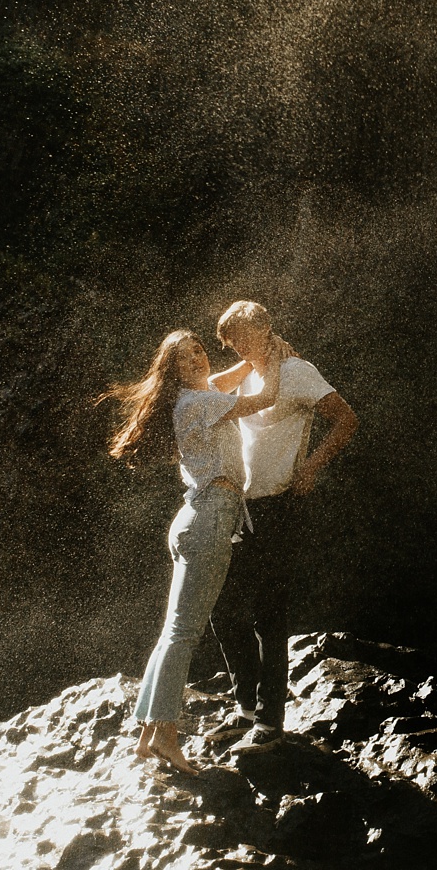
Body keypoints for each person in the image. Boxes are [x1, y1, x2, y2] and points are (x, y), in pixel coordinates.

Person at [99, 327, 286, 774]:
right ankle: (165, 735)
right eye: (186, 358)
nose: (199, 359)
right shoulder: (200, 403)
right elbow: (264, 399)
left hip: (194, 516)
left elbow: (225, 378)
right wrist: (273, 359)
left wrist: (252, 355)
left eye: (200, 350)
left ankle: (149, 730)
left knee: (173, 631)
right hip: (212, 517)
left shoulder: (195, 398)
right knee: (184, 634)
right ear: (174, 371)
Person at [208, 301, 358, 753]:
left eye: (243, 337)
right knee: (221, 606)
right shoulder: (252, 374)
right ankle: (247, 710)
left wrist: (312, 466)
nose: (237, 346)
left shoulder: (297, 371)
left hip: (279, 507)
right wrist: (250, 359)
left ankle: (270, 724)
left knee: (268, 617)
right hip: (241, 504)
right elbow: (207, 390)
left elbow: (347, 418)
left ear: (265, 328)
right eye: (231, 341)